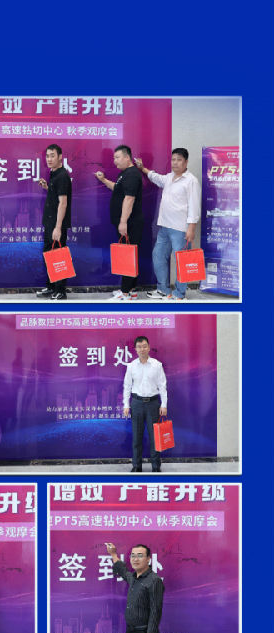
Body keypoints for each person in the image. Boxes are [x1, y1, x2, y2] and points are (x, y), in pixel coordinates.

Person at [136, 149, 201, 301]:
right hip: (164, 226)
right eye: (173, 159)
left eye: (179, 159)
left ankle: (179, 294)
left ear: (186, 162)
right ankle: (163, 290)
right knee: (158, 255)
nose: (175, 162)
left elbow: (194, 206)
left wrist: (191, 228)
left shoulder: (191, 181)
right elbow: (156, 178)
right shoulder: (169, 177)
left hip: (181, 229)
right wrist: (143, 168)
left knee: (182, 261)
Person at [95, 145, 144, 300]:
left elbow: (129, 199)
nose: (114, 161)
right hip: (127, 223)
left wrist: (123, 222)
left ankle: (125, 293)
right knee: (129, 255)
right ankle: (131, 291)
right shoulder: (125, 174)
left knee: (127, 257)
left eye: (117, 157)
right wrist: (103, 180)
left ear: (127, 157)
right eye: (114, 158)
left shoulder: (132, 175)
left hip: (130, 223)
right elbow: (117, 189)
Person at [122, 336, 167, 472]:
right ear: (135, 349)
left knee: (155, 438)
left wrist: (164, 404)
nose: (142, 349)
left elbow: (162, 386)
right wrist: (126, 405)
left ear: (149, 347)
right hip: (136, 403)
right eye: (139, 347)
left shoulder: (157, 365)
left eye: (144, 346)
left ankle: (156, 466)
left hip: (153, 404)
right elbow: (127, 386)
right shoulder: (131, 366)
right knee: (137, 437)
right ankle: (136, 466)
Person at [35, 144, 73, 300]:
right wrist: (47, 187)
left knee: (58, 257)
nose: (49, 159)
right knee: (49, 255)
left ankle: (60, 291)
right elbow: (56, 196)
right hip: (50, 223)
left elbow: (63, 203)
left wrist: (58, 228)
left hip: (57, 225)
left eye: (52, 156)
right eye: (47, 156)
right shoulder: (54, 173)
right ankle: (51, 287)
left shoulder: (62, 176)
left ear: (60, 157)